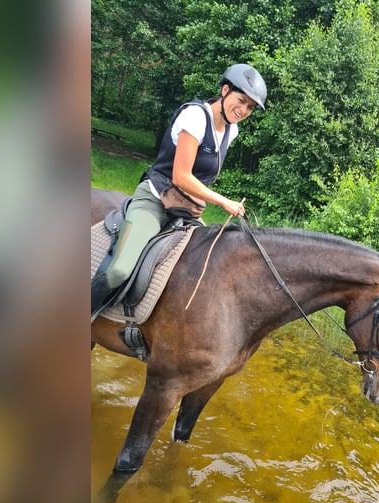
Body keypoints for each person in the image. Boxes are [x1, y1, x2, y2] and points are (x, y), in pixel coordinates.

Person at [92, 64, 267, 318]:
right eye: (241, 101)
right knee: (119, 270)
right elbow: (181, 176)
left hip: (185, 211)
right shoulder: (195, 117)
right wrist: (223, 202)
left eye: (250, 107)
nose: (243, 111)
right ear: (225, 90)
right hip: (154, 200)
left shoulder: (232, 130)